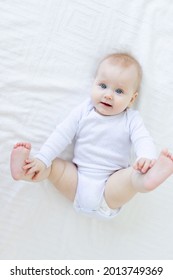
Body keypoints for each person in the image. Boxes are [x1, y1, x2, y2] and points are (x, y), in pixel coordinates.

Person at [10, 53, 173, 219]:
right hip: (76, 181)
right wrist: (43, 158)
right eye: (102, 86)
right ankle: (26, 170)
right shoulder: (84, 110)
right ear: (93, 84)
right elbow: (62, 133)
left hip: (110, 187)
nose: (108, 95)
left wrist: (146, 158)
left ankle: (148, 177)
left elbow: (143, 139)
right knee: (52, 167)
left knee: (133, 176)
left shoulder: (131, 119)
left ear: (132, 98)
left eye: (119, 91)